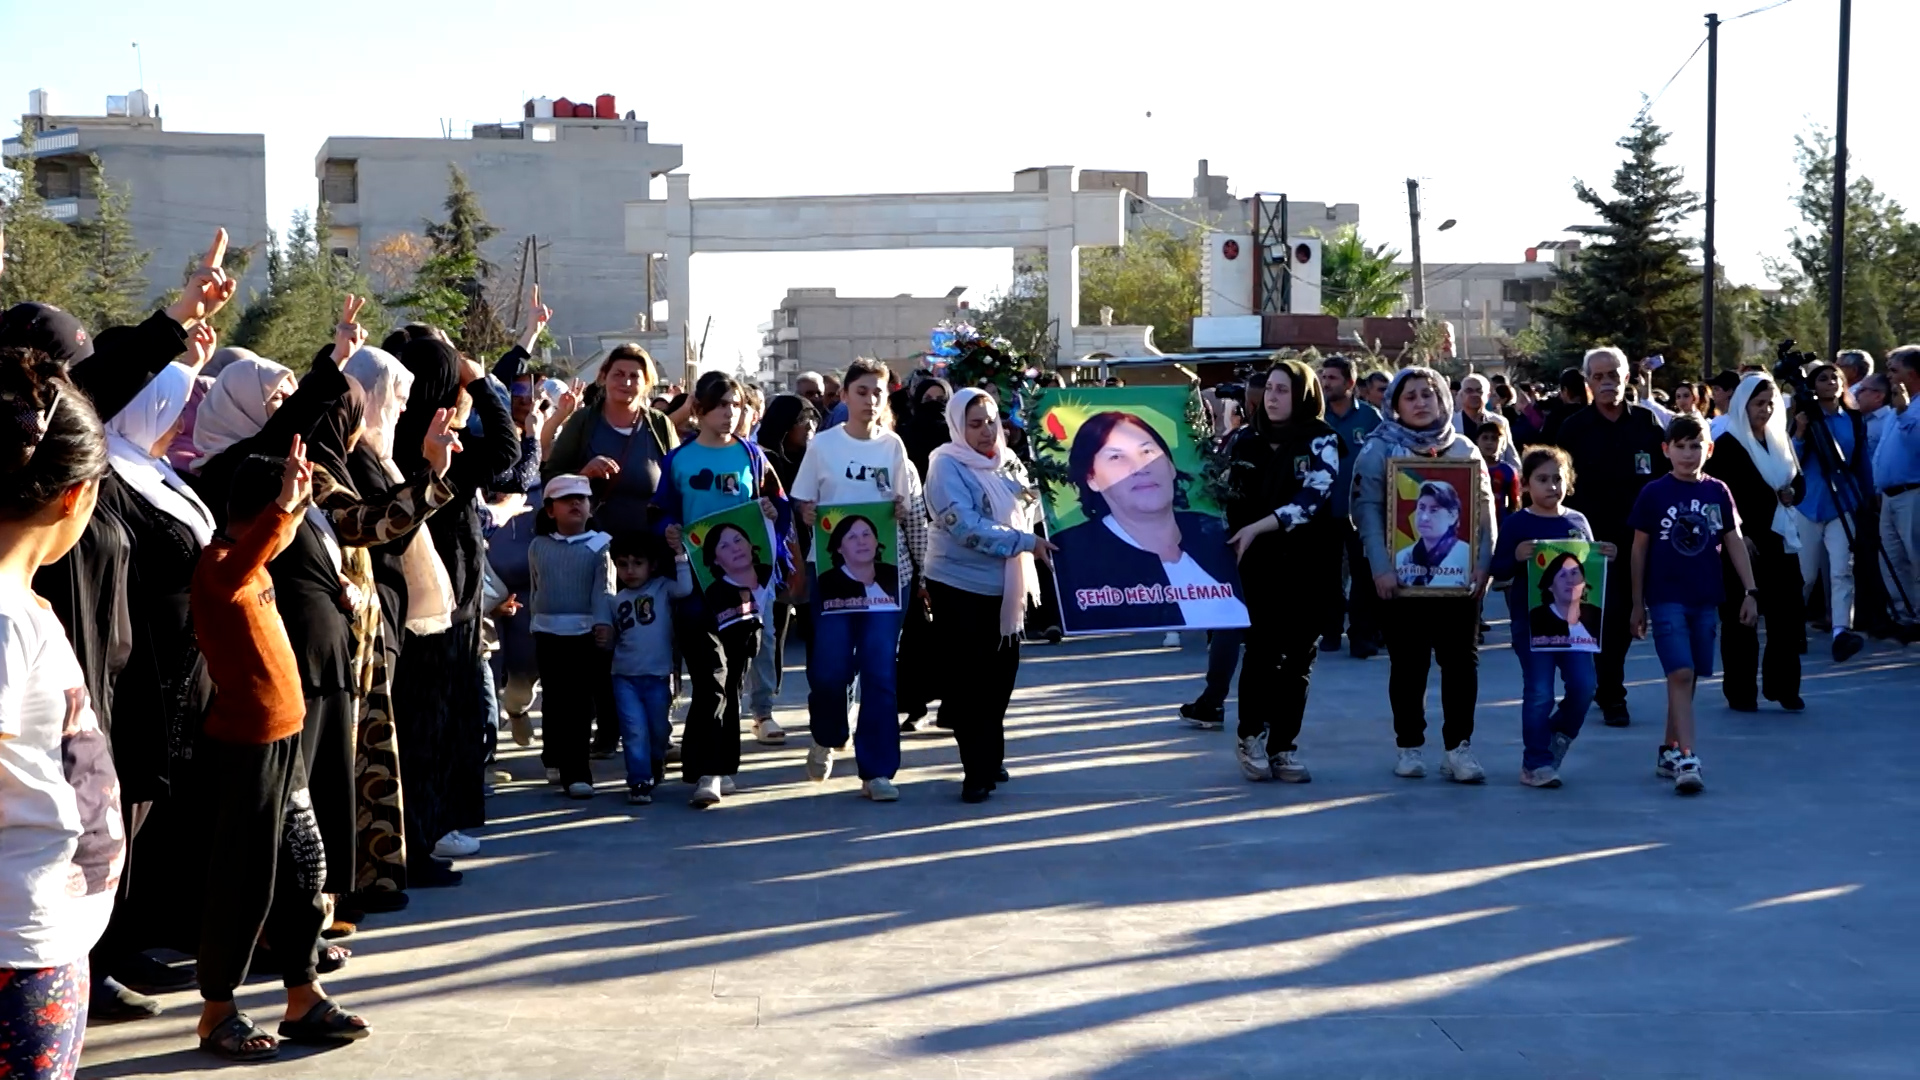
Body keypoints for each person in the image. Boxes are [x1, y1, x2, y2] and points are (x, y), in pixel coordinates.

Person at [191, 443, 370, 1060]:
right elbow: (244, 563)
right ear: (266, 512)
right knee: (245, 882)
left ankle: (304, 995)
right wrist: (283, 508)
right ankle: (217, 1012)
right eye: (290, 514)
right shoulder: (219, 565)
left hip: (287, 741)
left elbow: (266, 550)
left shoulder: (256, 562)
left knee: (302, 869)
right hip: (247, 748)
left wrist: (290, 509)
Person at [0, 349, 127, 1079]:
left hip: (39, 936)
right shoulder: (5, 619)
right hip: (18, 950)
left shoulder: (21, 607)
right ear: (76, 498)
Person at [384, 337, 520, 887]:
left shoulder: (389, 436)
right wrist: (483, 382)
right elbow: (508, 452)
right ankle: (421, 838)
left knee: (430, 725)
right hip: (440, 605)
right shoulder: (435, 444)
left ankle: (426, 833)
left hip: (424, 599)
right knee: (430, 727)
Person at [791, 358, 926, 801]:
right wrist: (807, 513)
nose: (870, 400)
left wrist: (903, 510)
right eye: (862, 391)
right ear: (845, 395)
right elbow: (803, 504)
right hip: (830, 574)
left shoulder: (894, 448)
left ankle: (877, 770)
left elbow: (909, 504)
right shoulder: (823, 446)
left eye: (878, 393)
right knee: (829, 669)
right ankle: (827, 732)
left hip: (889, 577)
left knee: (879, 670)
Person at [654, 375, 792, 805]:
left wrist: (774, 510)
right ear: (698, 409)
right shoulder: (678, 459)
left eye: (735, 404)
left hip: (745, 588)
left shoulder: (753, 456)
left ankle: (714, 765)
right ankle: (708, 772)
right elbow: (660, 512)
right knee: (709, 675)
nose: (729, 412)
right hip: (697, 584)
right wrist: (668, 531)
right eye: (719, 405)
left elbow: (780, 504)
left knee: (732, 676)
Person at [1353, 367, 1495, 783]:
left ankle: (1459, 749)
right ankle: (1409, 745)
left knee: (1461, 664)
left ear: (1442, 401)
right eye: (1410, 396)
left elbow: (1485, 513)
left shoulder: (1464, 450)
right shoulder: (1378, 450)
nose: (1420, 403)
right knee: (1409, 663)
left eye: (1428, 395)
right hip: (1400, 580)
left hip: (1458, 582)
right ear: (1395, 404)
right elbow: (1367, 512)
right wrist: (1381, 568)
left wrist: (1483, 564)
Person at [922, 388, 1047, 802]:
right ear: (958, 426)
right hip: (958, 585)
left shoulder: (1007, 462)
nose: (986, 431)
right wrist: (1024, 542)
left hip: (1007, 587)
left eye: (991, 421)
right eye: (975, 424)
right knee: (971, 681)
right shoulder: (946, 465)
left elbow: (1032, 506)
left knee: (1001, 677)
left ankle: (990, 756)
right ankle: (976, 770)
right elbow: (965, 526)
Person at [1222, 359, 1342, 784]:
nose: (1273, 398)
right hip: (1256, 564)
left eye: (1283, 390)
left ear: (1304, 396)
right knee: (1261, 652)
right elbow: (1219, 494)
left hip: (1309, 563)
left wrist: (1257, 525)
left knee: (1299, 659)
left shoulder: (1322, 440)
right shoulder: (1244, 441)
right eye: (1269, 389)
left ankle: (1283, 747)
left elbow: (1313, 498)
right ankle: (1251, 736)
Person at [1628, 416, 1759, 795]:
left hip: (1706, 597)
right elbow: (1639, 548)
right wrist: (1637, 602)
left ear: (1709, 449)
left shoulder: (1718, 490)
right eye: (1680, 447)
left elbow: (1733, 539)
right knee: (1681, 672)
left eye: (1696, 445)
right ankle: (1687, 757)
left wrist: (1750, 591)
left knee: (1688, 676)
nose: (1689, 454)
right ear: (1666, 450)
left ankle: (1668, 751)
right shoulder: (1653, 493)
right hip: (1665, 597)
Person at [1049, 412, 1247, 632]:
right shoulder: (1072, 552)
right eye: (1116, 457)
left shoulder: (1216, 534)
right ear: (1092, 479)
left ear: (1171, 466)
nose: (1140, 467)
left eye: (1147, 452)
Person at [1557, 346, 1671, 727]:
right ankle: (1607, 690)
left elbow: (1663, 478)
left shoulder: (1647, 424)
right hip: (1588, 540)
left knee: (1623, 617)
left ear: (1627, 378)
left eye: (1614, 375)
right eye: (1599, 377)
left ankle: (1610, 691)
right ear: (1588, 382)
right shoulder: (1573, 429)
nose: (1607, 383)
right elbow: (1557, 484)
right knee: (1598, 618)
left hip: (1637, 537)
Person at [1490, 446, 1609, 787]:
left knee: (1585, 686)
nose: (1551, 486)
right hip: (1533, 625)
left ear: (1568, 482)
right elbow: (1498, 570)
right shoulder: (1517, 523)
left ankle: (1558, 730)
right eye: (1542, 479)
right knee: (1540, 691)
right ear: (1525, 485)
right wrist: (1515, 555)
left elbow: (1589, 568)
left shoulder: (1577, 521)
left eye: (1558, 478)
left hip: (1576, 627)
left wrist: (1604, 555)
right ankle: (1535, 763)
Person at [1705, 373, 1806, 711]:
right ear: (1742, 405)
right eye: (1758, 404)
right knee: (1741, 621)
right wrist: (1738, 536)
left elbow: (1797, 480)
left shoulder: (1780, 440)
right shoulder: (1729, 443)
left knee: (1786, 615)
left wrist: (1793, 493)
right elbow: (1717, 496)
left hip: (1780, 540)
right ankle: (1740, 691)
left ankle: (1784, 687)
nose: (1765, 410)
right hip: (1743, 545)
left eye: (1770, 403)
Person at [527, 474, 615, 799]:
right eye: (566, 500)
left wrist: (603, 623)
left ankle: (578, 773)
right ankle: (553, 757)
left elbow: (604, 589)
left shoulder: (599, 545)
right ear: (550, 510)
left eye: (581, 498)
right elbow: (536, 587)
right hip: (547, 633)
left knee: (579, 703)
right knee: (553, 698)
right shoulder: (539, 546)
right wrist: (534, 622)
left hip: (584, 633)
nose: (575, 503)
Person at [541, 345, 676, 537]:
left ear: (646, 382)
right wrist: (583, 474)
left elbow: (679, 479)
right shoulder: (583, 421)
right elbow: (551, 478)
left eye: (635, 376)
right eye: (618, 374)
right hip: (592, 545)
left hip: (648, 552)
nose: (626, 382)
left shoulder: (659, 424)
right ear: (604, 377)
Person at [1791, 362, 1873, 662]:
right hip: (1809, 504)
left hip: (1843, 503)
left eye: (1835, 378)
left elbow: (1861, 459)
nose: (1831, 383)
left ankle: (1841, 631)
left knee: (1841, 570)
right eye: (1823, 379)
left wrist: (1867, 494)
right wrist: (1800, 433)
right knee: (1806, 575)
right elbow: (1793, 461)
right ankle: (1791, 627)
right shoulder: (1805, 419)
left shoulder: (1852, 419)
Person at [608, 532, 693, 804]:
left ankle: (657, 760)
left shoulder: (662, 588)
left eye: (637, 563)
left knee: (658, 729)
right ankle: (639, 780)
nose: (630, 571)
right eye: (622, 564)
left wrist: (680, 554)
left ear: (652, 565)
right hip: (624, 676)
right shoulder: (614, 598)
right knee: (633, 729)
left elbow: (686, 588)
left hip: (658, 676)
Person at [1319, 357, 1382, 657]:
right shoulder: (1316, 418)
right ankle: (1330, 633)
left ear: (1350, 383)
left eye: (1332, 377)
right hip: (1324, 509)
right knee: (1327, 574)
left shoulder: (1371, 419)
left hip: (1361, 509)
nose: (1326, 382)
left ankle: (1362, 635)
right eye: (1323, 376)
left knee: (1364, 573)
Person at [1877, 346, 1920, 632]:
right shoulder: (1895, 408)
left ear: (1912, 373)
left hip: (1913, 494)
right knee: (1893, 560)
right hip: (1888, 497)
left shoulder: (1909, 407)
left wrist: (1904, 412)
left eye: (1894, 369)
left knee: (1916, 557)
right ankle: (1905, 615)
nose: (1889, 376)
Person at [1394, 480, 1473, 588]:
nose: (1424, 517)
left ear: (1453, 516)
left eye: (1434, 510)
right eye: (1421, 508)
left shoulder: (1467, 556)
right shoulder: (1402, 558)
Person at [817, 514, 900, 611]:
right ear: (839, 547)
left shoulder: (893, 573)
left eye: (866, 534)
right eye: (852, 537)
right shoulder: (826, 583)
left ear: (876, 541)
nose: (861, 542)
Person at [1456, 374, 1521, 472]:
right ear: (1461, 395)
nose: (1474, 395)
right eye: (1469, 391)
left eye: (1479, 391)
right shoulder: (1450, 424)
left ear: (1488, 396)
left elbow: (1511, 458)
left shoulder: (1500, 422)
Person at [1476, 420, 1521, 518]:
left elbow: (1514, 502)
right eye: (1485, 438)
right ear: (1477, 441)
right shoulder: (1472, 469)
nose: (1489, 442)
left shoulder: (1508, 471)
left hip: (1502, 520)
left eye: (1494, 439)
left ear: (1503, 443)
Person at [1706, 370, 1743, 441]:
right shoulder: (1718, 420)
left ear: (1729, 391)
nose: (1712, 393)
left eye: (1716, 389)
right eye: (1712, 389)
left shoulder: (1735, 422)